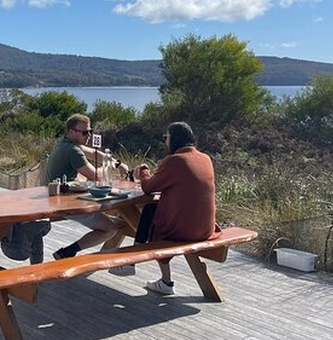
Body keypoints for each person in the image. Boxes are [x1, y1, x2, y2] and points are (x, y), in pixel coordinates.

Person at [132, 121, 219, 295]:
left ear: (174, 140)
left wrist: (143, 171)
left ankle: (157, 276)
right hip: (206, 228)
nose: (165, 141)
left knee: (150, 216)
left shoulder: (174, 161)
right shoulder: (205, 158)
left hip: (183, 231)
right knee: (152, 213)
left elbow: (148, 187)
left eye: (166, 138)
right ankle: (134, 264)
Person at [43, 114, 129, 261]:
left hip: (57, 196)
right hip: (66, 202)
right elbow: (96, 176)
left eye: (89, 131)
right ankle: (68, 252)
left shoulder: (64, 142)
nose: (88, 135)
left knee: (120, 218)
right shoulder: (73, 150)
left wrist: (117, 164)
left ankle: (68, 252)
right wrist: (108, 165)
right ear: (71, 132)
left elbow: (94, 153)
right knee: (111, 228)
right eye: (84, 132)